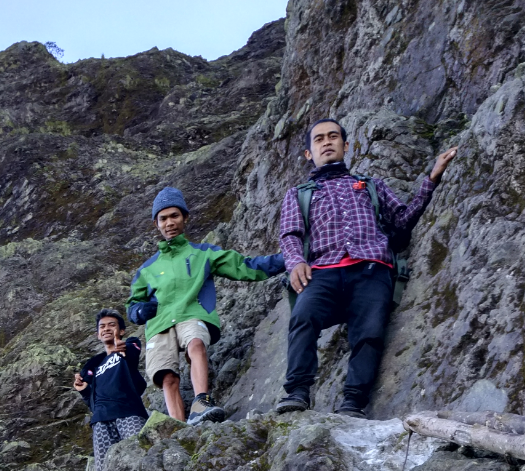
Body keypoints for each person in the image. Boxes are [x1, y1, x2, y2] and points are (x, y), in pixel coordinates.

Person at [275, 118, 459, 418]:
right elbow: (291, 234)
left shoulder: (371, 185)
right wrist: (295, 262)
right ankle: (297, 392)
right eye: (318, 139)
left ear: (346, 146)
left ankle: (353, 403)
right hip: (322, 271)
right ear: (309, 153)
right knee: (303, 317)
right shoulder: (298, 194)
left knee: (370, 331)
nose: (326, 142)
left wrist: (432, 178)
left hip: (372, 269)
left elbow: (401, 222)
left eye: (333, 136)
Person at [127, 187, 284, 425]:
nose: (169, 222)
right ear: (156, 223)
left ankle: (202, 402)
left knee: (196, 343)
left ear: (185, 217)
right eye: (163, 218)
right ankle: (178, 426)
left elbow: (245, 266)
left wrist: (287, 258)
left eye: (174, 216)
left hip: (192, 312)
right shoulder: (147, 268)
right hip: (159, 323)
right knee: (166, 377)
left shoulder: (203, 254)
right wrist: (138, 311)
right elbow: (133, 304)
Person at [73, 309, 148, 471]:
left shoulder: (127, 348)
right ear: (98, 334)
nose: (106, 329)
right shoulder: (96, 367)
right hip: (100, 420)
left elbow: (133, 350)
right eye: (102, 326)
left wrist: (123, 347)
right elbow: (93, 402)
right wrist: (84, 390)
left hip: (129, 412)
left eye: (111, 325)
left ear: (121, 331)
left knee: (139, 461)